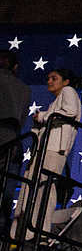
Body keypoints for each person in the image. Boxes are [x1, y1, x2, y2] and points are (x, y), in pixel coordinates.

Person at [18, 68, 82, 241]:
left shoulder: (68, 92)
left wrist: (42, 117)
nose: (49, 81)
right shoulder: (56, 101)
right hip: (45, 149)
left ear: (66, 81)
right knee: (32, 187)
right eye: (48, 78)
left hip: (54, 150)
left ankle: (38, 232)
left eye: (54, 78)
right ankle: (23, 231)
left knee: (44, 189)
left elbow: (69, 112)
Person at [0, 50, 27, 222]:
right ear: (15, 67)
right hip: (13, 142)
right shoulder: (25, 90)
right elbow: (22, 120)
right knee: (6, 192)